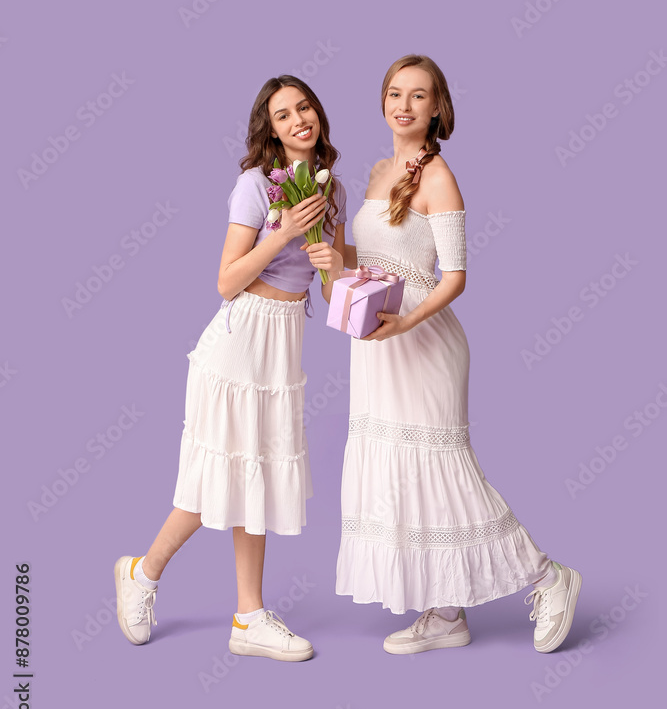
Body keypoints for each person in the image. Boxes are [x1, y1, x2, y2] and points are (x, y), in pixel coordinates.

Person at [333, 54, 581, 654]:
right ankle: (445, 614)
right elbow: (361, 260)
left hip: (421, 338)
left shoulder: (439, 177)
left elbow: (455, 277)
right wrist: (324, 246)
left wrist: (403, 324)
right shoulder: (373, 173)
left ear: (437, 108)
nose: (405, 105)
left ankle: (549, 578)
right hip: (376, 343)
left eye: (419, 96)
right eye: (395, 93)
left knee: (441, 471)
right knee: (399, 473)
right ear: (382, 101)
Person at [114, 75, 346, 661]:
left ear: (317, 114)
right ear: (270, 128)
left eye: (305, 107)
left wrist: (333, 260)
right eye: (283, 114)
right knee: (214, 481)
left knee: (258, 479)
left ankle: (248, 618)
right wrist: (285, 231)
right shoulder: (254, 186)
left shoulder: (332, 190)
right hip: (240, 340)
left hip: (284, 343)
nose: (298, 120)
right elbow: (226, 281)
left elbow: (333, 285)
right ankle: (142, 574)